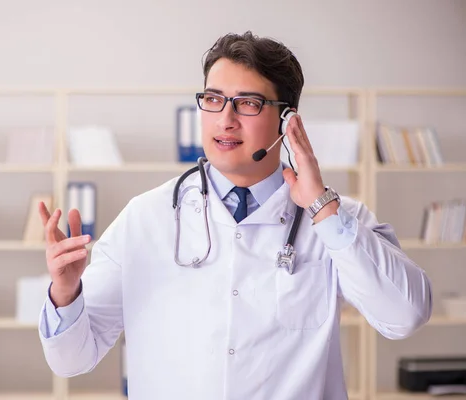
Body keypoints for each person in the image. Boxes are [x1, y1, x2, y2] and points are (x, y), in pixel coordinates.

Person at [37, 31, 432, 400]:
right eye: (213, 99)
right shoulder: (146, 217)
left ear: (287, 119)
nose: (225, 119)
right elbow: (72, 360)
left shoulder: (337, 220)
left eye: (247, 103)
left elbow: (404, 317)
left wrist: (323, 209)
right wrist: (65, 294)